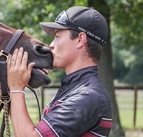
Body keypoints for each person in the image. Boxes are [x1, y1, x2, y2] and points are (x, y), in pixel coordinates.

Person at [7, 6, 112, 137]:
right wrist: (10, 94)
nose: (51, 44)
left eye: (57, 36)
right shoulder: (77, 89)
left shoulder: (87, 97)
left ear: (80, 39)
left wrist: (16, 88)